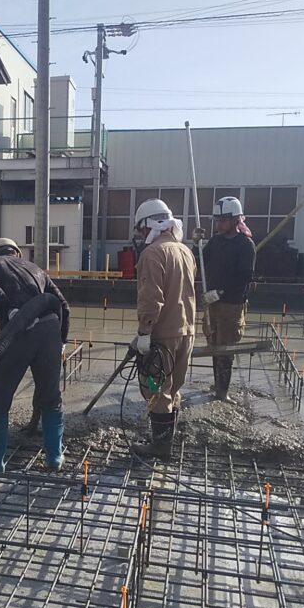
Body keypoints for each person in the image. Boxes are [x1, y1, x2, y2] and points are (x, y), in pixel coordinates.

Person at [0, 238, 70, 472]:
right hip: (49, 333)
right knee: (51, 397)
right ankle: (55, 457)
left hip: (14, 334)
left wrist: (9, 308)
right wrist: (62, 342)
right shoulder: (36, 269)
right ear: (17, 253)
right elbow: (64, 306)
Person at [130, 199, 196, 459]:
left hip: (163, 333)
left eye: (140, 230)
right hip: (186, 330)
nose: (140, 236)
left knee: (156, 390)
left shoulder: (153, 253)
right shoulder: (184, 251)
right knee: (173, 388)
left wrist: (144, 333)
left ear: (148, 225)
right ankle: (167, 440)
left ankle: (160, 447)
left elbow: (151, 296)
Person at [201, 196, 256, 402]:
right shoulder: (215, 241)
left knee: (226, 348)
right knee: (214, 343)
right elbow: (199, 259)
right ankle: (217, 384)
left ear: (235, 221)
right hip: (212, 302)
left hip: (231, 305)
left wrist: (221, 292)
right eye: (217, 220)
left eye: (223, 220)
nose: (219, 224)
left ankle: (222, 392)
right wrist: (195, 244)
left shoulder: (245, 245)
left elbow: (244, 277)